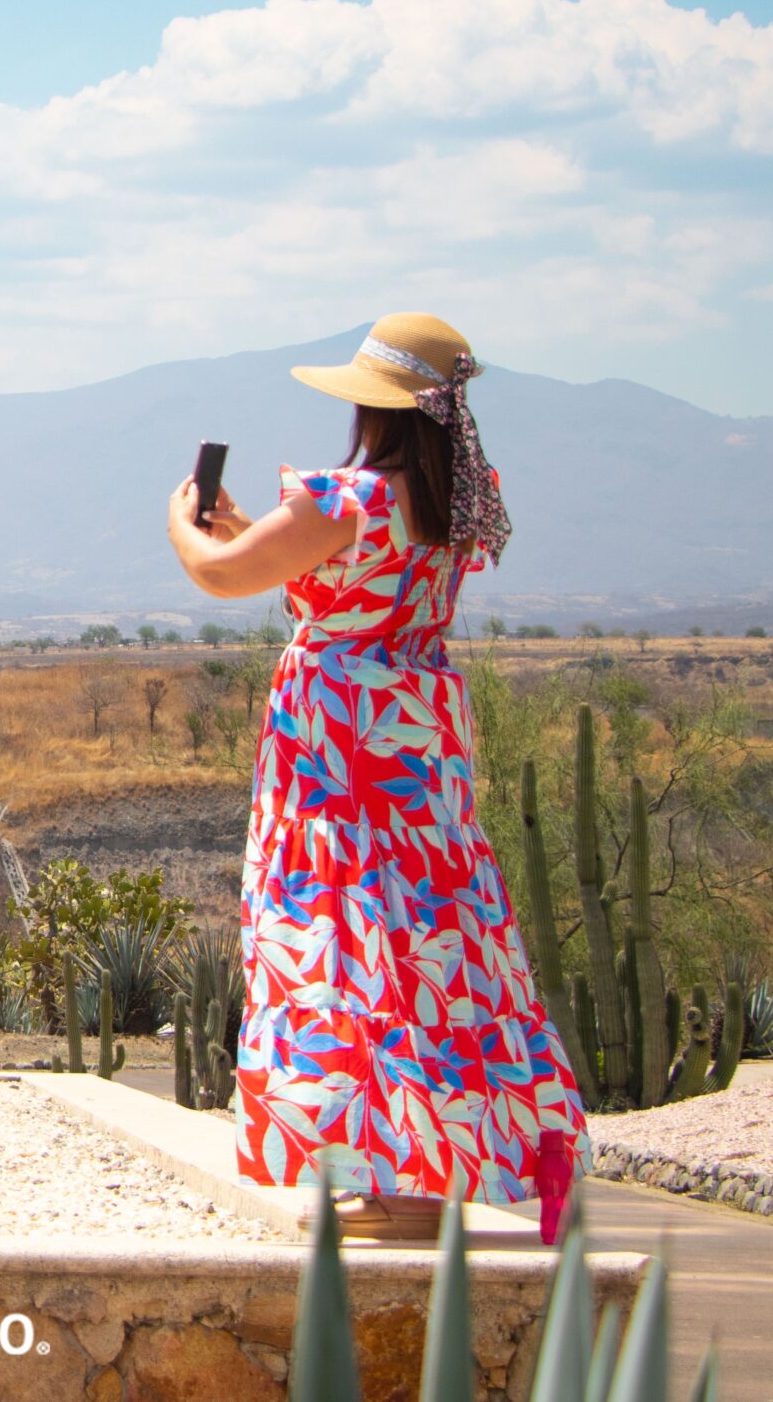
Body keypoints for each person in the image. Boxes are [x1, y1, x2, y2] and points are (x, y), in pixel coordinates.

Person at [164, 313, 586, 1243]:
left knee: (338, 928)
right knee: (433, 931)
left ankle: (382, 1172)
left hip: (336, 744)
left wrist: (185, 527)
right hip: (418, 737)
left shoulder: (339, 496)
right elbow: (340, 564)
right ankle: (433, 1164)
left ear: (374, 404)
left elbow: (223, 575)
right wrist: (257, 534)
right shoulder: (453, 501)